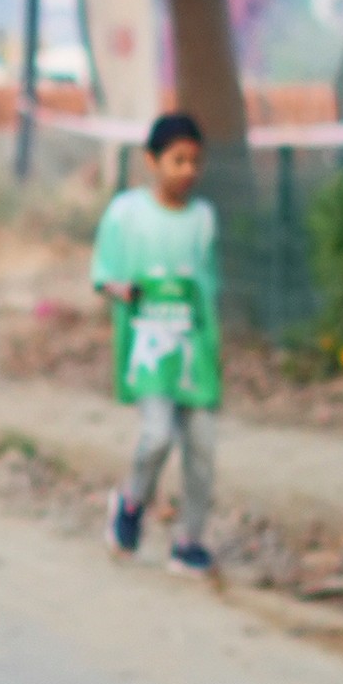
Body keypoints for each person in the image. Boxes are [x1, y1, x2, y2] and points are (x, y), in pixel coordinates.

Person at [94, 109, 220, 577]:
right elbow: (103, 272)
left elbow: (208, 285)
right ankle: (131, 502)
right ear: (152, 161)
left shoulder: (203, 219)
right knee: (158, 434)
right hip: (147, 347)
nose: (187, 171)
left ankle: (188, 541)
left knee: (202, 449)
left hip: (194, 349)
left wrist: (212, 346)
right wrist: (121, 289)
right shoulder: (126, 214)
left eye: (195, 162)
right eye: (177, 160)